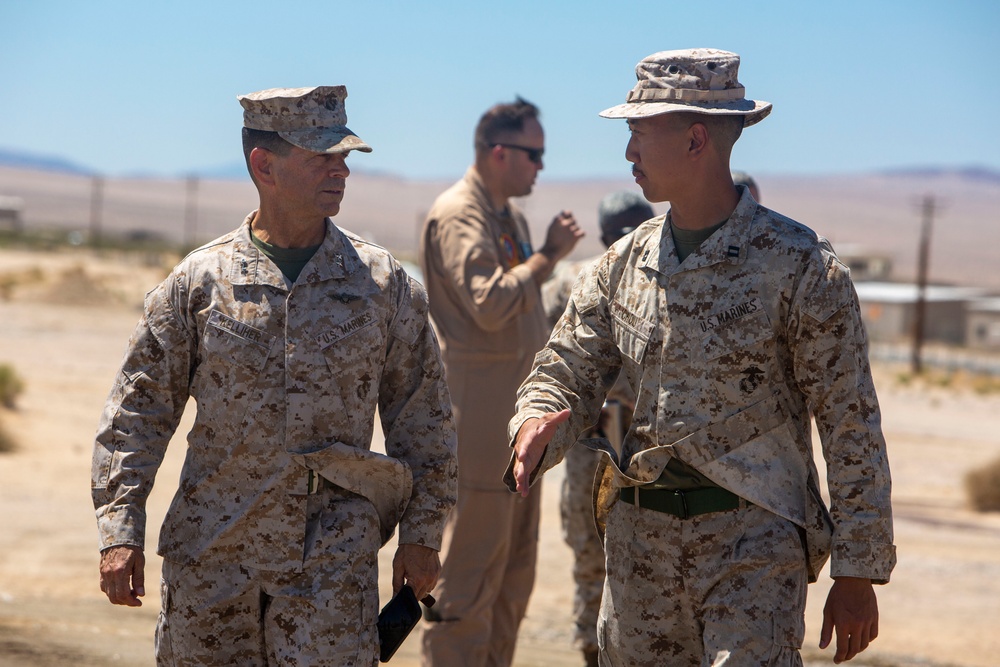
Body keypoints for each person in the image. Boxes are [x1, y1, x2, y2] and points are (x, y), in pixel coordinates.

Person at [506, 49, 896, 666]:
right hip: (638, 551)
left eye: (638, 133)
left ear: (694, 140)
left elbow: (851, 424)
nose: (627, 153)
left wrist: (859, 570)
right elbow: (565, 369)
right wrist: (536, 418)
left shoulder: (799, 267)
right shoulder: (620, 264)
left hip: (752, 553)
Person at [92, 85, 459, 666]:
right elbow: (137, 414)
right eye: (321, 157)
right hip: (213, 560)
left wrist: (423, 533)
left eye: (345, 158)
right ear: (264, 164)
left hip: (332, 569)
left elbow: (425, 423)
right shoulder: (199, 284)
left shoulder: (384, 287)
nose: (341, 171)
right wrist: (120, 530)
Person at [418, 97, 584, 667]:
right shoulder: (461, 213)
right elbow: (488, 304)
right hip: (482, 428)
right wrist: (547, 258)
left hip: (516, 432)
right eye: (533, 153)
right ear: (498, 152)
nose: (540, 165)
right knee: (466, 586)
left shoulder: (504, 214)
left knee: (513, 582)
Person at [540, 190, 651, 667]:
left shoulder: (662, 276)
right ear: (606, 235)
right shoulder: (579, 278)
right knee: (591, 554)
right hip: (598, 431)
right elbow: (547, 343)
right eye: (622, 228)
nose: (632, 237)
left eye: (640, 225)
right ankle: (591, 649)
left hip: (648, 436)